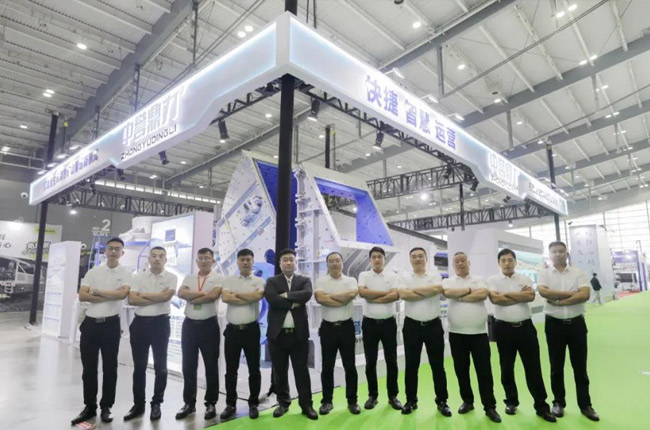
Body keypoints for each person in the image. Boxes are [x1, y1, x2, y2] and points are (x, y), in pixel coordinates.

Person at [487, 249, 556, 423]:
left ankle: (541, 406)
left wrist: (506, 295)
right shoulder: (492, 280)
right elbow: (496, 300)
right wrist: (520, 296)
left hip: (526, 329)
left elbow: (530, 296)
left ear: (515, 262)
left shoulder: (524, 278)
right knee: (507, 368)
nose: (507, 263)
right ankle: (511, 402)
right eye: (503, 260)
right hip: (503, 329)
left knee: (533, 368)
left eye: (510, 260)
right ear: (498, 263)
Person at [71, 237, 132, 425]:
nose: (113, 251)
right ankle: (89, 406)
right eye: (110, 248)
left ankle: (106, 407)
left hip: (111, 326)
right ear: (105, 251)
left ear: (122, 253)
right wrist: (110, 294)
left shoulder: (126, 273)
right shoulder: (93, 271)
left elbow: (122, 295)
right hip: (90, 325)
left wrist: (96, 291)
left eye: (117, 249)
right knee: (89, 368)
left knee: (110, 368)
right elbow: (83, 295)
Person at [538, 241, 599, 421]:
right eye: (554, 252)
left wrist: (560, 301)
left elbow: (585, 295)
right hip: (554, 325)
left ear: (567, 253)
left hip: (576, 325)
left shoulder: (578, 273)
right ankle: (558, 402)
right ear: (549, 254)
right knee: (556, 367)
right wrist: (573, 294)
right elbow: (544, 293)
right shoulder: (544, 274)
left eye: (561, 251)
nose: (558, 254)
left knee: (580, 367)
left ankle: (585, 405)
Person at [443, 252, 501, 423]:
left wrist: (459, 296)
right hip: (456, 334)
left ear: (469, 262)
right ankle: (468, 401)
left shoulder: (479, 279)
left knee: (484, 372)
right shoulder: (448, 281)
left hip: (479, 334)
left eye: (463, 260)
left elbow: (482, 294)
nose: (460, 263)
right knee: (461, 371)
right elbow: (448, 293)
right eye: (457, 261)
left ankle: (489, 406)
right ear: (453, 264)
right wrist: (469, 291)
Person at [124, 247, 177, 422]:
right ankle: (138, 404)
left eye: (161, 256)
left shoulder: (171, 277)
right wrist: (157, 296)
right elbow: (132, 299)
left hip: (160, 324)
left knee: (161, 366)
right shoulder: (137, 277)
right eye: (154, 256)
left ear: (165, 260)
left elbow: (166, 298)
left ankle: (157, 403)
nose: (157, 259)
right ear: (149, 259)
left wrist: (144, 296)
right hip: (140, 324)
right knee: (139, 367)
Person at [264, 248, 318, 420]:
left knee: (301, 371)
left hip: (298, 335)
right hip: (278, 335)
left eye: (291, 260)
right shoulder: (272, 281)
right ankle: (283, 403)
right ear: (280, 264)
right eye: (285, 260)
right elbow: (272, 298)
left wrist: (286, 295)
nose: (288, 262)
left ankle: (306, 405)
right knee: (280, 371)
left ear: (295, 262)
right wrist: (294, 303)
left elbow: (306, 294)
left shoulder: (304, 280)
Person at [397, 247, 451, 417]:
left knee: (437, 365)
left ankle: (442, 401)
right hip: (412, 326)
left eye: (420, 256)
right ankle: (411, 400)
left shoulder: (434, 275)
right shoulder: (404, 277)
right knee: (411, 366)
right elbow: (403, 295)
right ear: (410, 259)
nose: (417, 259)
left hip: (433, 326)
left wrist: (413, 291)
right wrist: (426, 291)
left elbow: (436, 290)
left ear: (426, 259)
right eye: (414, 256)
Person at [175, 248, 224, 421]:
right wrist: (202, 294)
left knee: (211, 366)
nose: (204, 261)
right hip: (189, 326)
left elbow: (213, 296)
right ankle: (189, 403)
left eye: (207, 258)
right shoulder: (189, 277)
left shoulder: (218, 278)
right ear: (196, 261)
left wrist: (192, 297)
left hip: (209, 326)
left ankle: (211, 403)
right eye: (201, 258)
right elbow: (181, 293)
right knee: (188, 366)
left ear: (213, 261)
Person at [219, 249, 265, 420]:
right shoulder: (229, 280)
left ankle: (253, 403)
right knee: (231, 370)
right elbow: (226, 298)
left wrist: (236, 294)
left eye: (248, 260)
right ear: (237, 262)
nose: (245, 262)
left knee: (254, 369)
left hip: (251, 330)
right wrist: (247, 296)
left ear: (253, 261)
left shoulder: (259, 281)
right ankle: (230, 404)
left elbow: (257, 297)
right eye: (242, 260)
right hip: (232, 331)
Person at [314, 252, 361, 415]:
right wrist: (340, 299)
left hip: (346, 328)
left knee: (350, 366)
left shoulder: (351, 280)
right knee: (327, 366)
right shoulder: (321, 281)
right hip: (328, 329)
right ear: (327, 264)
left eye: (337, 260)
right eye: (331, 261)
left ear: (342, 263)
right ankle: (327, 401)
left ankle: (352, 401)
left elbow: (350, 295)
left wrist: (329, 297)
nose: (335, 263)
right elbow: (320, 298)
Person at [358, 246, 403, 411]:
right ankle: (373, 395)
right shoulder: (364, 275)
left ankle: (393, 396)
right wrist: (385, 294)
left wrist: (373, 296)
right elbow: (362, 293)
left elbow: (395, 295)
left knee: (392, 361)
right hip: (369, 324)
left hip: (388, 324)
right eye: (374, 257)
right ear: (370, 259)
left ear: (384, 259)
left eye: (380, 257)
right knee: (370, 361)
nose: (377, 259)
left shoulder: (392, 276)